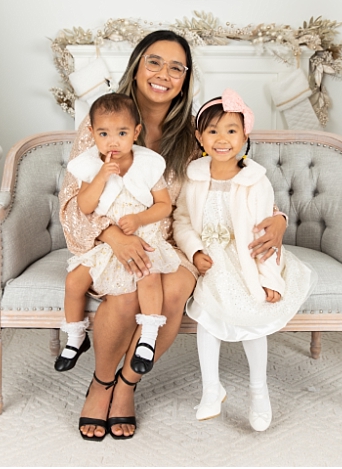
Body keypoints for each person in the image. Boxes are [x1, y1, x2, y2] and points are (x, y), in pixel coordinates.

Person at [58, 30, 291, 440]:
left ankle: (128, 384)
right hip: (108, 237)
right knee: (127, 290)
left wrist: (278, 218)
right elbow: (73, 202)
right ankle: (101, 383)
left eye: (176, 67)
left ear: (185, 77)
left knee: (175, 288)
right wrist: (114, 236)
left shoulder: (194, 135)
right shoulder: (102, 122)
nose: (164, 73)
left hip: (171, 241)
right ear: (136, 66)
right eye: (154, 61)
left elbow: (233, 183)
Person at [173, 90, 314, 432]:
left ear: (245, 136)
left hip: (248, 258)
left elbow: (263, 235)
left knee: (252, 318)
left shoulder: (255, 180)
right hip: (211, 261)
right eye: (213, 131)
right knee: (207, 317)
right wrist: (194, 251)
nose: (222, 139)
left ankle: (258, 392)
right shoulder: (193, 176)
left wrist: (269, 279)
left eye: (231, 131)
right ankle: (211, 389)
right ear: (199, 137)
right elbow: (182, 221)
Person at [56, 94, 179, 383]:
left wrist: (139, 219)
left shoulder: (148, 165)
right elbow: (85, 207)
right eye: (104, 134)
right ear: (92, 134)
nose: (113, 142)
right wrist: (100, 177)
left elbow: (164, 205)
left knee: (148, 276)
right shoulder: (90, 167)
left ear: (136, 132)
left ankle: (147, 337)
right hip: (105, 243)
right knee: (73, 281)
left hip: (141, 234)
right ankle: (75, 336)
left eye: (122, 133)